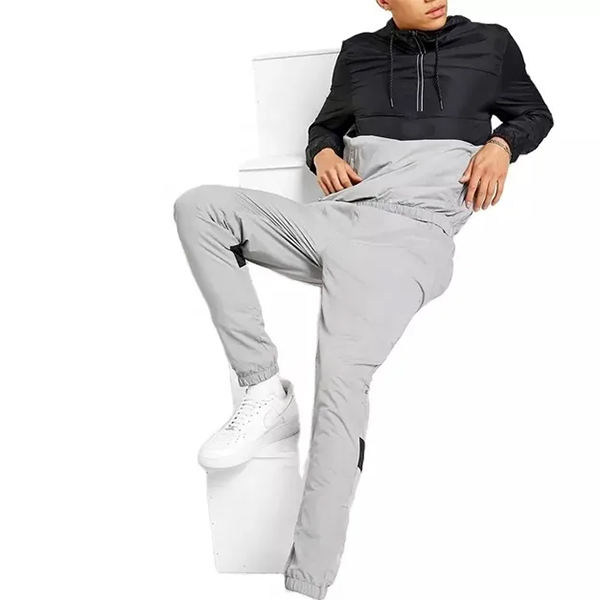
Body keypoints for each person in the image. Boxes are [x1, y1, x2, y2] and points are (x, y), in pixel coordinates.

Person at [173, 2, 553, 598]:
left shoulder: (490, 43)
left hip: (410, 235)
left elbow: (534, 113)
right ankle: (262, 386)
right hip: (337, 216)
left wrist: (503, 144)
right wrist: (323, 152)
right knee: (201, 207)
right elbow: (325, 127)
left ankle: (308, 580)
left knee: (339, 395)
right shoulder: (359, 53)